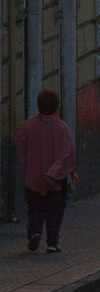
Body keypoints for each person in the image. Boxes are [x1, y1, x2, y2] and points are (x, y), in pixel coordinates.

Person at [15, 89, 78, 253]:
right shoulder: (62, 128)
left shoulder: (28, 125)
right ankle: (52, 243)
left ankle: (35, 231)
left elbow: (20, 145)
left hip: (34, 176)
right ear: (57, 107)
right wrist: (71, 172)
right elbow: (68, 153)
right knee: (55, 210)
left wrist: (28, 161)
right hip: (56, 179)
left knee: (35, 207)